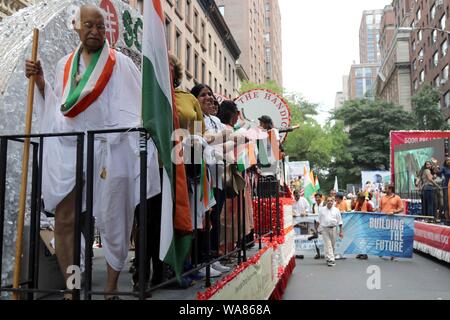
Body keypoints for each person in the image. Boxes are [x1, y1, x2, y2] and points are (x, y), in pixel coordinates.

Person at [25, 4, 160, 299]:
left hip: (111, 149)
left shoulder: (121, 63)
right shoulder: (64, 64)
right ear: (77, 26)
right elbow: (57, 106)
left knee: (115, 218)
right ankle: (72, 286)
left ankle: (111, 287)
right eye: (89, 25)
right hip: (71, 148)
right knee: (65, 220)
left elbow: (137, 107)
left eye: (100, 26)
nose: (95, 31)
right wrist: (40, 82)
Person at [317, 197, 344, 267]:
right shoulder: (322, 210)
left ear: (333, 202)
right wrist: (318, 229)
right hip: (325, 229)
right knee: (328, 244)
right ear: (326, 201)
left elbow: (340, 221)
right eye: (328, 201)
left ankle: (328, 257)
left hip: (334, 229)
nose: (330, 202)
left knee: (332, 245)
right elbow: (318, 220)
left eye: (331, 201)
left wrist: (341, 231)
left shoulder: (336, 210)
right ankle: (331, 260)